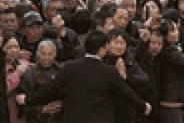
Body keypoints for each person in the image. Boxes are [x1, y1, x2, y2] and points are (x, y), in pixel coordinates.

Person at [20, 30, 151, 123]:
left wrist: (28, 100)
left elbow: (50, 89)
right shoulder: (109, 71)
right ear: (102, 49)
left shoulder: (70, 67)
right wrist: (143, 107)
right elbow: (126, 92)